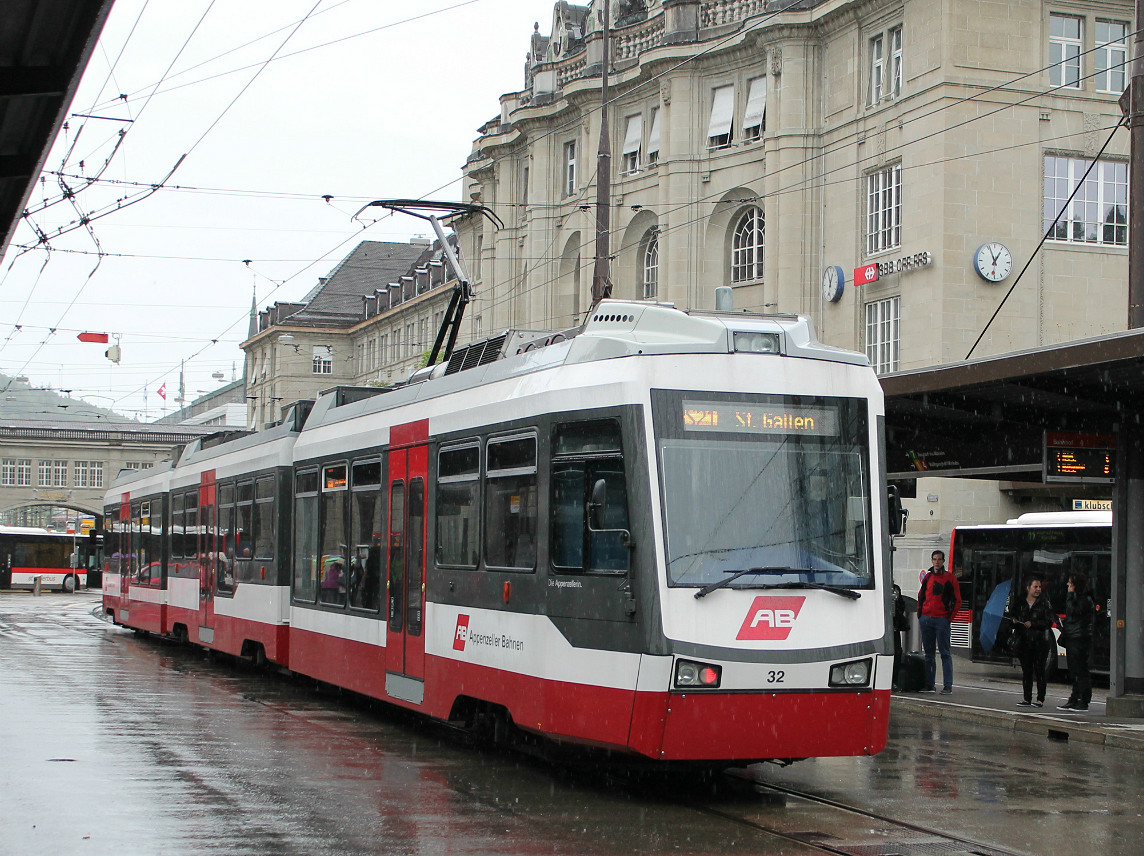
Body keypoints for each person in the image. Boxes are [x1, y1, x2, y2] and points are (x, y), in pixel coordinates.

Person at [917, 550, 961, 694]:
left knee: (944, 653)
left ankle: (947, 685)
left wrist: (949, 618)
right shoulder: (928, 577)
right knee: (929, 654)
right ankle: (930, 684)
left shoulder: (950, 578)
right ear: (932, 561)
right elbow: (921, 595)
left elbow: (957, 600)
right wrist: (921, 614)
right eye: (935, 559)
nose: (937, 562)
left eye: (939, 559)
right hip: (927, 618)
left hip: (941, 619)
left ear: (942, 561)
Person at [1009, 575, 1054, 707]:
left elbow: (1048, 621)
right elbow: (1013, 617)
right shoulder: (1020, 602)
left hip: (1040, 643)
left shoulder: (1045, 603)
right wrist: (1015, 621)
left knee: (1040, 671)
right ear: (1028, 588)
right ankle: (1027, 698)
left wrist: (1033, 623)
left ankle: (1040, 699)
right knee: (1027, 671)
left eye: (1039, 587)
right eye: (1035, 587)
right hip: (1024, 642)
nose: (1038, 589)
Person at [1058, 571, 1095, 712]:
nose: (1067, 585)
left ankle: (1083, 700)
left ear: (1075, 585)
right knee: (1074, 670)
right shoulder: (1081, 599)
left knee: (1080, 669)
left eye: (1070, 583)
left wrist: (1069, 595)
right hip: (1073, 637)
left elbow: (1073, 611)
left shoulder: (1084, 599)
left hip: (1079, 638)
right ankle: (1074, 698)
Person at [891, 584, 909, 691]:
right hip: (884, 627)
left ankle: (894, 680)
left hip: (894, 627)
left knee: (897, 653)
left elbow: (901, 606)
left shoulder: (896, 589)